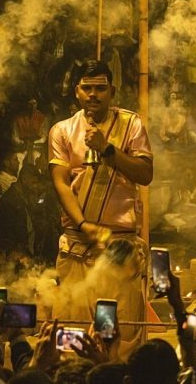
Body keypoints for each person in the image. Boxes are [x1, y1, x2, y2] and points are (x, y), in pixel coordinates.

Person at [48, 59, 153, 357]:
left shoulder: (131, 124)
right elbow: (61, 184)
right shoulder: (62, 130)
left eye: (100, 89)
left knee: (117, 337)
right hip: (78, 245)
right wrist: (83, 225)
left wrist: (107, 149)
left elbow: (145, 174)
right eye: (87, 88)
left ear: (112, 91)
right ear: (77, 92)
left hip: (118, 247)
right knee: (74, 334)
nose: (93, 94)